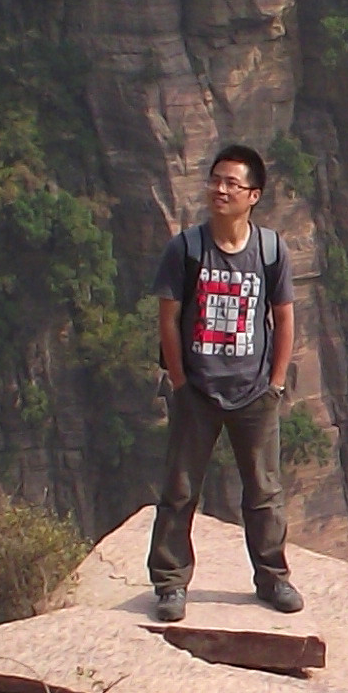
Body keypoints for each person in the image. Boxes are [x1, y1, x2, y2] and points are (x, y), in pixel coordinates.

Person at [147, 141, 300, 621]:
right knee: (179, 489)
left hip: (254, 392)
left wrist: (275, 383)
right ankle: (171, 584)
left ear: (254, 194)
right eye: (215, 179)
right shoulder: (186, 248)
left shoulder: (271, 250)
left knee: (263, 492)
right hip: (198, 389)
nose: (220, 189)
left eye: (232, 182)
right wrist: (178, 380)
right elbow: (168, 319)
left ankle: (273, 579)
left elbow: (284, 317)